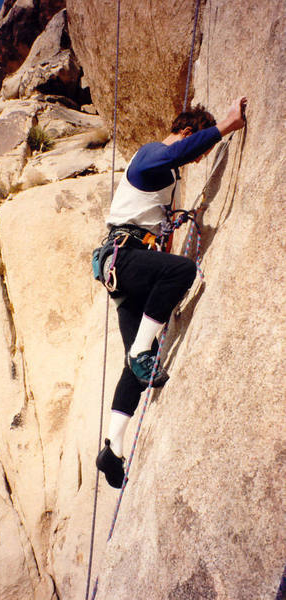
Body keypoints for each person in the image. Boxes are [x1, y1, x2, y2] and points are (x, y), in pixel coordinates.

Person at [95, 96, 247, 488]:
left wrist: (169, 220)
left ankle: (113, 447)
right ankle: (144, 349)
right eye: (199, 149)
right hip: (125, 260)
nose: (198, 161)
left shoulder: (160, 175)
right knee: (182, 271)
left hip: (127, 270)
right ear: (187, 133)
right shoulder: (152, 154)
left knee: (132, 368)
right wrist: (226, 126)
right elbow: (175, 154)